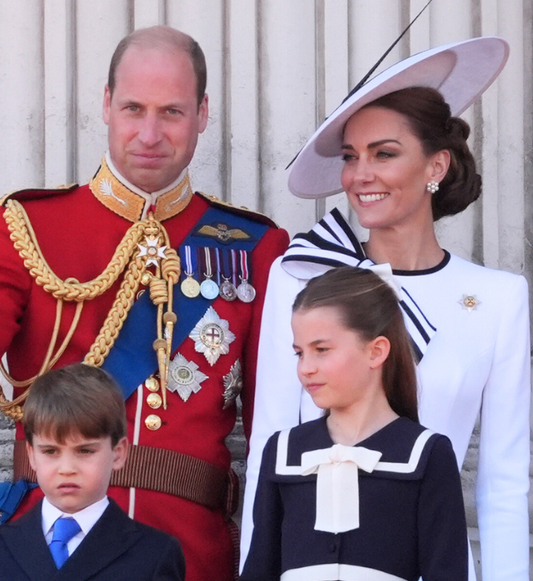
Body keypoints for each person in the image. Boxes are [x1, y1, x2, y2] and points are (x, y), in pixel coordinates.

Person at [0, 25, 288, 580]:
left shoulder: (257, 247)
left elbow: (273, 427)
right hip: (51, 546)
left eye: (171, 112)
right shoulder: (27, 225)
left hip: (192, 551)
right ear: (105, 105)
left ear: (203, 113)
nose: (149, 133)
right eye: (133, 108)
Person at [243, 37, 529, 581]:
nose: (359, 175)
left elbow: (506, 484)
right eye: (351, 157)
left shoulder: (497, 298)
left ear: (435, 165)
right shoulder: (302, 277)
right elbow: (268, 448)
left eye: (385, 153)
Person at [242, 267, 468, 580]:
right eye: (299, 353)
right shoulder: (282, 452)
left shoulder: (426, 454)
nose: (306, 368)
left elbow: (446, 572)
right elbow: (259, 570)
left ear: (376, 351)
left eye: (321, 350)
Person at [0, 363, 185, 580]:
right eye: (50, 451)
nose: (67, 469)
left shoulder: (155, 554)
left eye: (85, 451)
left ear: (118, 453)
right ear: (31, 455)